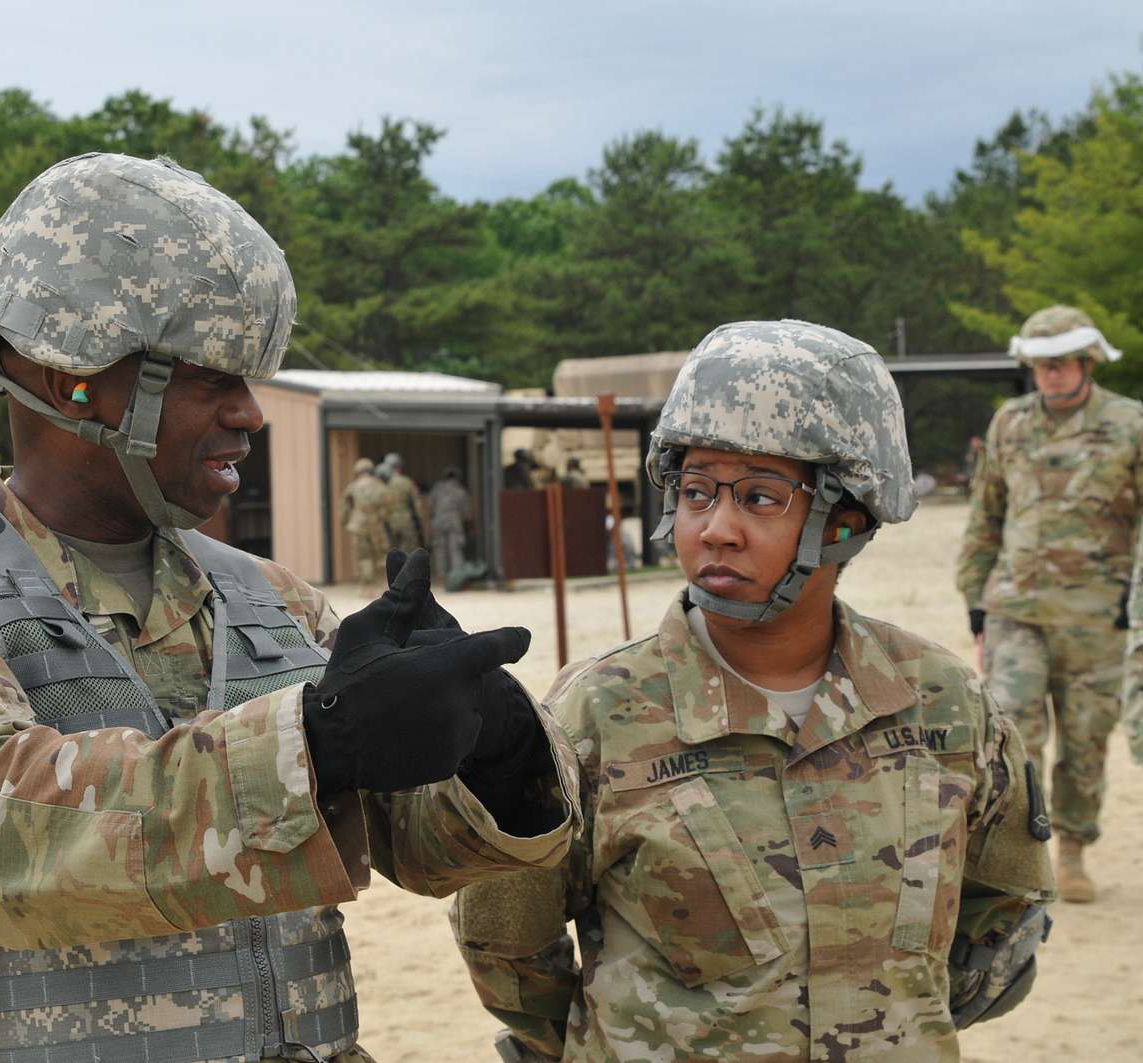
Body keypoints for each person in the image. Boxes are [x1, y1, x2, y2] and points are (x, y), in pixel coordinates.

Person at [0, 153, 581, 1063]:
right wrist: (317, 742)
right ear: (69, 377)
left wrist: (493, 744)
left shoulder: (266, 598)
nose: (250, 412)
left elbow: (420, 845)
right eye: (212, 377)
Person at [453, 320, 1054, 1061]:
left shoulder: (944, 703)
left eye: (761, 497)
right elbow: (509, 948)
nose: (716, 528)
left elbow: (1004, 917)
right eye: (697, 490)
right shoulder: (597, 714)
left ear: (849, 516)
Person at [956, 304, 1141, 904]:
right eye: (1039, 365)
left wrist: (1133, 605)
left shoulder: (1130, 424)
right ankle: (1025, 858)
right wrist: (976, 602)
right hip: (1016, 610)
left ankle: (1075, 847)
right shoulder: (1010, 423)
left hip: (1098, 616)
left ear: (1088, 361)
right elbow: (986, 515)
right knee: (1013, 736)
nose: (1050, 374)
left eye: (1061, 363)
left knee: (1086, 742)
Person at [340, 456, 392, 590]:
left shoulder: (352, 487)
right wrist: (381, 518)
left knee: (363, 556)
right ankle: (383, 585)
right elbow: (388, 506)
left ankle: (366, 587)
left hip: (358, 525)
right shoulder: (380, 485)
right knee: (381, 555)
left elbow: (345, 506)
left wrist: (344, 520)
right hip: (376, 524)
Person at [428, 465, 472, 580]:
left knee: (439, 549)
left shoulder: (437, 489)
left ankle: (441, 575)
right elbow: (467, 513)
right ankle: (457, 576)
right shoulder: (460, 491)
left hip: (438, 520)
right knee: (455, 548)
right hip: (454, 521)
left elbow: (430, 506)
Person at [381, 451, 425, 553]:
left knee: (392, 553)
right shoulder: (407, 482)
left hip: (390, 522)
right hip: (406, 521)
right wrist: (420, 523)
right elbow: (417, 505)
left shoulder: (384, 483)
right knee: (408, 553)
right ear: (400, 466)